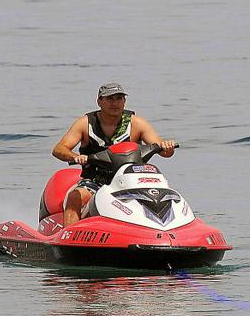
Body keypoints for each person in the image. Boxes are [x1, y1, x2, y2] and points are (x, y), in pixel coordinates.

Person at [51, 83, 177, 226]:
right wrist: (75, 157)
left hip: (131, 182)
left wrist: (167, 147)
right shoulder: (85, 123)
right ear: (99, 101)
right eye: (110, 99)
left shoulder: (137, 123)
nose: (115, 103)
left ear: (124, 101)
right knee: (76, 197)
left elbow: (163, 150)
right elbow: (59, 149)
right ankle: (68, 239)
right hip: (96, 181)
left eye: (119, 98)